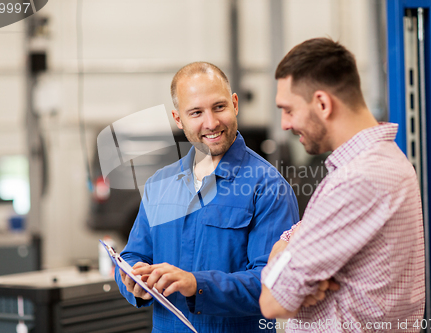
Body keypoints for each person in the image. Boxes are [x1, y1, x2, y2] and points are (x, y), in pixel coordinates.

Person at [115, 62, 299, 332]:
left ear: (235, 104)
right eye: (196, 112)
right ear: (178, 119)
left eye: (219, 107)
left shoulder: (269, 186)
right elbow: (133, 254)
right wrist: (131, 279)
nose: (211, 123)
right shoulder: (159, 184)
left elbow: (274, 283)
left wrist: (196, 285)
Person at [259, 38, 425, 332]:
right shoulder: (384, 160)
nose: (284, 123)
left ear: (322, 103)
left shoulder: (359, 179)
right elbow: (293, 238)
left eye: (288, 109)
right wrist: (286, 246)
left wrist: (281, 260)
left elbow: (273, 302)